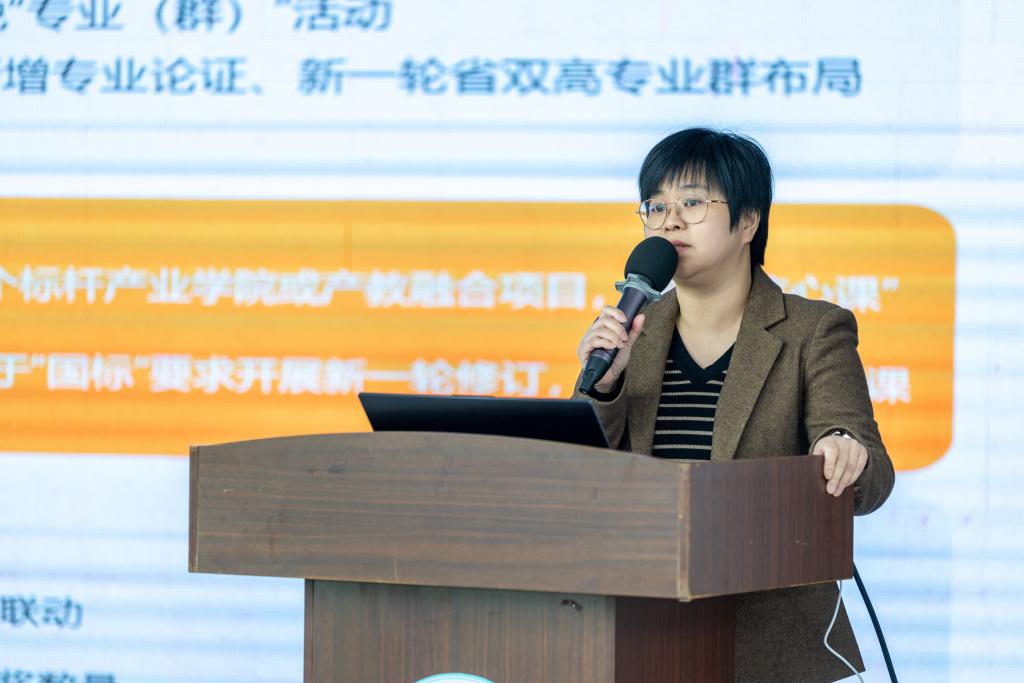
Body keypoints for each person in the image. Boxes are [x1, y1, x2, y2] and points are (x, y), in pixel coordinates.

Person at [575, 127, 895, 682]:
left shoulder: (813, 331)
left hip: (767, 644)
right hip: (637, 632)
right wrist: (602, 387)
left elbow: (872, 475)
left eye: (692, 202)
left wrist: (845, 450)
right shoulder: (631, 335)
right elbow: (576, 479)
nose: (670, 221)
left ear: (748, 221)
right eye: (656, 206)